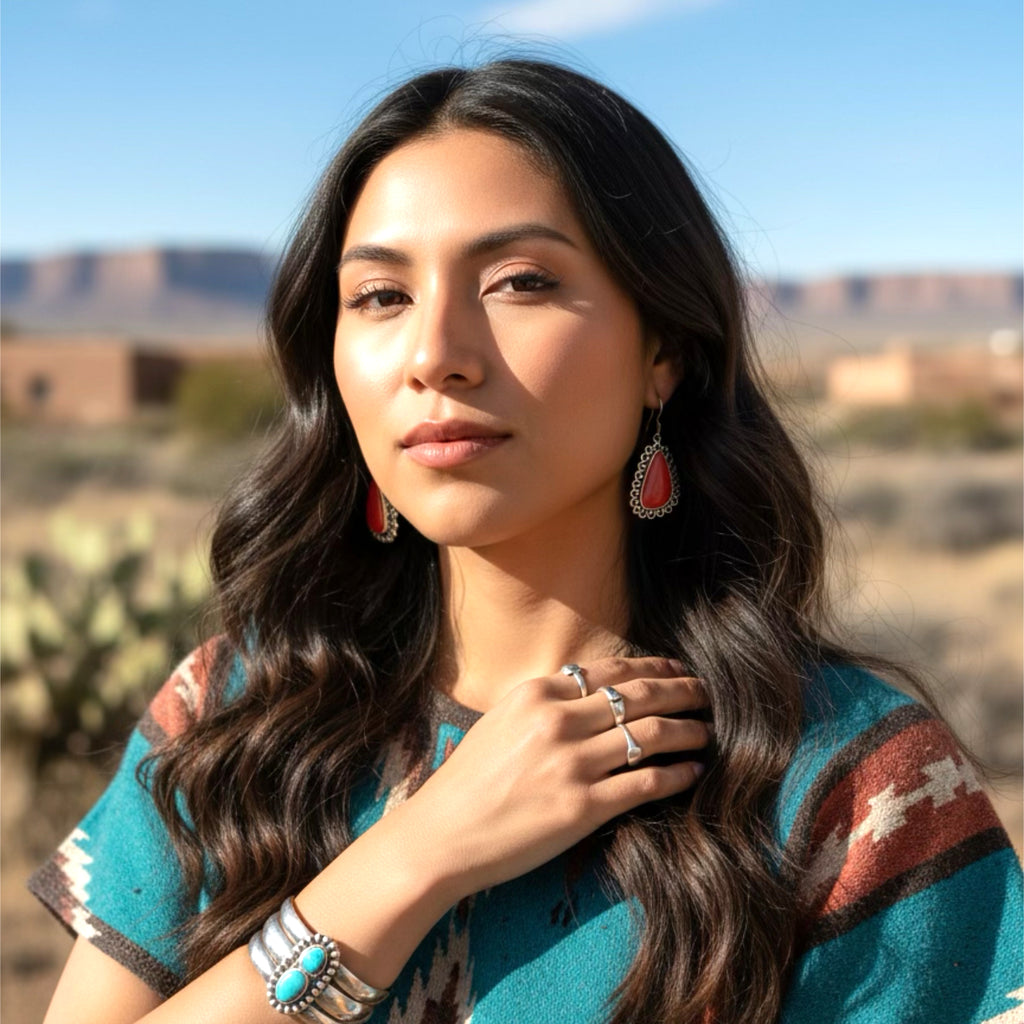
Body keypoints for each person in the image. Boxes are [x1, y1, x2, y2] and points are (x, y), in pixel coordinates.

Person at [30, 58, 1022, 1024]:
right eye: (381, 295)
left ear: (663, 352)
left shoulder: (842, 780)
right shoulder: (232, 717)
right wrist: (411, 860)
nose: (435, 355)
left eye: (517, 281)